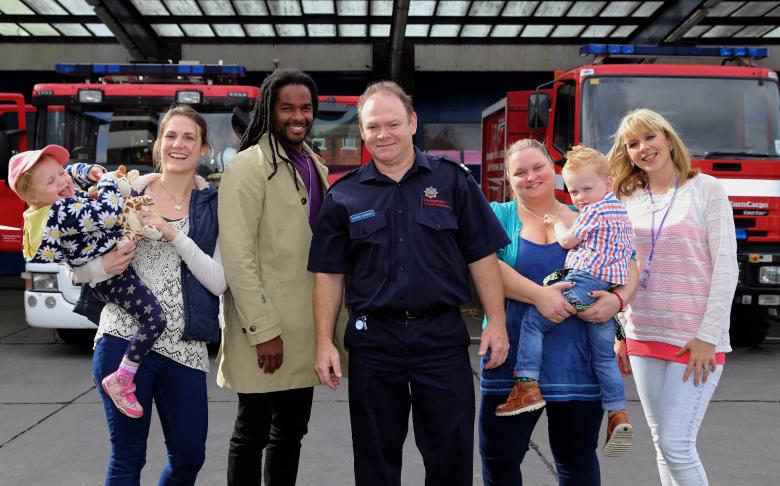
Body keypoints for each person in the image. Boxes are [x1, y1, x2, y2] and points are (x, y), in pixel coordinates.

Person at [308, 80, 510, 486]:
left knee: (450, 457)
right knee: (375, 461)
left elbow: (482, 256)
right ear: (362, 132)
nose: (384, 134)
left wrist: (497, 323)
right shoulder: (344, 196)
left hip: (441, 340)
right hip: (374, 344)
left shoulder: (454, 182)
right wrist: (325, 341)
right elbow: (329, 274)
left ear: (413, 122)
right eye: (373, 126)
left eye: (393, 123)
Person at [76, 104, 225, 485]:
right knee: (127, 458)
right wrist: (100, 268)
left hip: (185, 347)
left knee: (189, 456)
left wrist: (176, 235)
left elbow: (219, 281)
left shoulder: (213, 204)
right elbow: (73, 257)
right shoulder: (125, 190)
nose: (179, 144)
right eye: (170, 136)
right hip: (122, 340)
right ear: (158, 145)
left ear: (203, 147)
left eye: (189, 137)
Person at [479, 139, 638, 486]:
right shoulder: (495, 216)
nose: (531, 177)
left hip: (576, 363)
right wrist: (540, 296)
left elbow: (629, 264)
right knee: (500, 462)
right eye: (519, 172)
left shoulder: (587, 213)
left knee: (577, 463)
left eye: (538, 167)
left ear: (554, 171)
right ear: (509, 179)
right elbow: (482, 266)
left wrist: (619, 301)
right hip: (510, 357)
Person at [216, 68, 347, 486]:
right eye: (287, 107)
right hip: (267, 331)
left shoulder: (314, 163)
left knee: (291, 433)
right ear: (269, 110)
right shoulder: (247, 167)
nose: (298, 116)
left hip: (306, 330)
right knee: (251, 433)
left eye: (305, 108)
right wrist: (263, 329)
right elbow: (238, 258)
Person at [608, 108, 737, 485]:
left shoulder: (706, 190)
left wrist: (708, 338)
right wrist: (621, 332)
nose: (643, 148)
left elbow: (727, 268)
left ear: (667, 139)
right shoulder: (627, 195)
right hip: (643, 334)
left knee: (677, 443)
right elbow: (620, 267)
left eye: (650, 137)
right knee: (661, 442)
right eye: (633, 143)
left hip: (692, 340)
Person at [8, 145, 171, 419]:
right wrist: (107, 180)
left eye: (60, 173)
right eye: (52, 181)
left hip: (109, 267)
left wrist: (86, 171)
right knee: (155, 319)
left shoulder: (48, 203)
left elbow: (71, 172)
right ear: (32, 196)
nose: (63, 181)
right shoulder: (62, 211)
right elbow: (109, 213)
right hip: (114, 277)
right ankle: (122, 377)